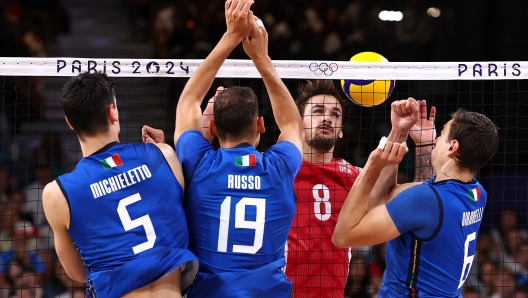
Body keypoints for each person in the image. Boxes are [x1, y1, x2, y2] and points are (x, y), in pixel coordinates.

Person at [143, 0, 304, 296]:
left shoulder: (198, 162)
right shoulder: (279, 167)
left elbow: (189, 100)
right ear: (260, 126)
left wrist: (230, 37)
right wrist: (261, 59)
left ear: (213, 130)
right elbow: (293, 125)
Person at [41, 72, 197, 298]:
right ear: (112, 111)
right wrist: (159, 155)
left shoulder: (56, 193)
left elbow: (76, 272)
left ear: (69, 122)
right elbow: (176, 214)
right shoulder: (163, 155)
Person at [333, 99, 499, 297]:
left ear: (453, 147)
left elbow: (343, 236)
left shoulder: (426, 200)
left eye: (441, 136)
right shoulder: (476, 193)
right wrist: (408, 136)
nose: (436, 140)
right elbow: (418, 202)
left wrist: (373, 165)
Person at [285, 79, 436, 298]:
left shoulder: (353, 176)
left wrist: (399, 131)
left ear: (340, 132)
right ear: (299, 123)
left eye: (336, 114)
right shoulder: (279, 170)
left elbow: (385, 198)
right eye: (318, 111)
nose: (327, 118)